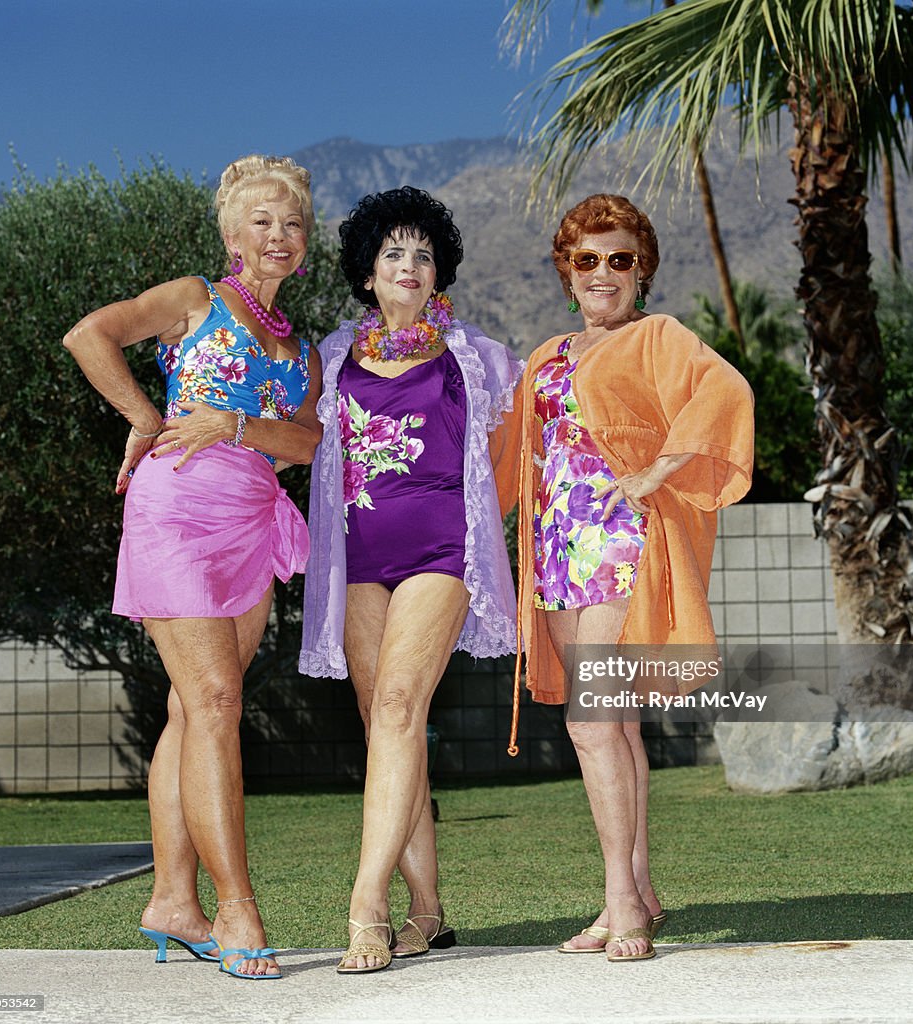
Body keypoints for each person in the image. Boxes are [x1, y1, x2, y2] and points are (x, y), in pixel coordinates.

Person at [63, 154, 323, 981]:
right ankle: (237, 907)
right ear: (231, 236)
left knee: (191, 708)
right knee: (214, 701)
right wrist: (145, 415)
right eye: (262, 223)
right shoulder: (192, 300)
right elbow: (88, 335)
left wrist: (235, 424)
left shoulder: (300, 346)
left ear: (304, 243)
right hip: (175, 511)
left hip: (251, 520)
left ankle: (174, 900)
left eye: (292, 225)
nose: (278, 236)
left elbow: (308, 442)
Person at [510, 193, 754, 962]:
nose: (603, 272)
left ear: (640, 267)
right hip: (554, 551)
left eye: (620, 258)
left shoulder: (659, 335)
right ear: (567, 271)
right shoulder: (545, 356)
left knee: (591, 721)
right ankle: (637, 888)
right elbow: (504, 447)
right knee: (609, 725)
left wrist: (659, 468)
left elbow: (725, 393)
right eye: (587, 260)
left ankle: (620, 903)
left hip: (620, 541)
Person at [299, 186, 522, 973]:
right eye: (393, 252)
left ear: (438, 274)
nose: (409, 264)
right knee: (385, 725)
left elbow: (529, 438)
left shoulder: (478, 357)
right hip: (357, 561)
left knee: (397, 704)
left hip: (441, 552)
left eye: (423, 254)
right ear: (366, 273)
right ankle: (426, 912)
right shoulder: (327, 357)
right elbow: (287, 434)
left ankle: (366, 907)